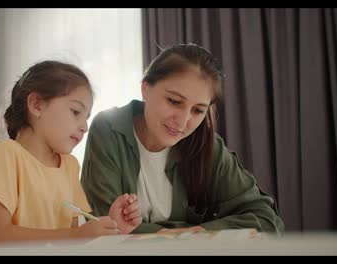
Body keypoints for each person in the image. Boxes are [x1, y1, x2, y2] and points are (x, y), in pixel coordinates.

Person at [81, 44, 284, 235]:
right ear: (145, 89)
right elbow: (104, 225)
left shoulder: (207, 145)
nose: (183, 121)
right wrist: (180, 233)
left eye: (198, 110)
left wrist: (197, 233)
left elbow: (267, 219)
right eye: (174, 101)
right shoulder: (108, 129)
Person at [0, 61, 142, 245]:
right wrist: (76, 236)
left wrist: (114, 228)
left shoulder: (70, 165)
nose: (85, 127)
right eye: (76, 112)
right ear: (36, 105)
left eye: (87, 117)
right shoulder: (4, 155)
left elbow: (72, 242)